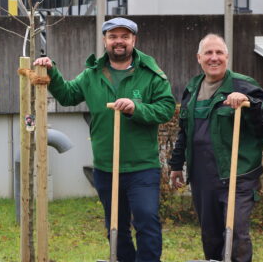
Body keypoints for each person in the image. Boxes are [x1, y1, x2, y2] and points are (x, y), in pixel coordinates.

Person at [33, 17, 175, 262]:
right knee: (115, 228)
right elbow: (67, 96)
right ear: (105, 40)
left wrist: (136, 108)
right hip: (107, 167)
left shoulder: (150, 74)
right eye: (113, 37)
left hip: (142, 167)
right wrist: (51, 72)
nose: (118, 42)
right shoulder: (92, 74)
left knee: (147, 221)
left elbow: (165, 108)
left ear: (134, 40)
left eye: (124, 37)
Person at [168, 34, 263, 262]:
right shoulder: (192, 88)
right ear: (199, 58)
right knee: (210, 235)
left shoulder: (243, 85)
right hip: (203, 176)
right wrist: (176, 165)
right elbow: (185, 131)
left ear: (227, 57)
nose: (214, 58)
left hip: (238, 175)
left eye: (219, 53)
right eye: (208, 53)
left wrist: (249, 103)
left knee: (235, 232)